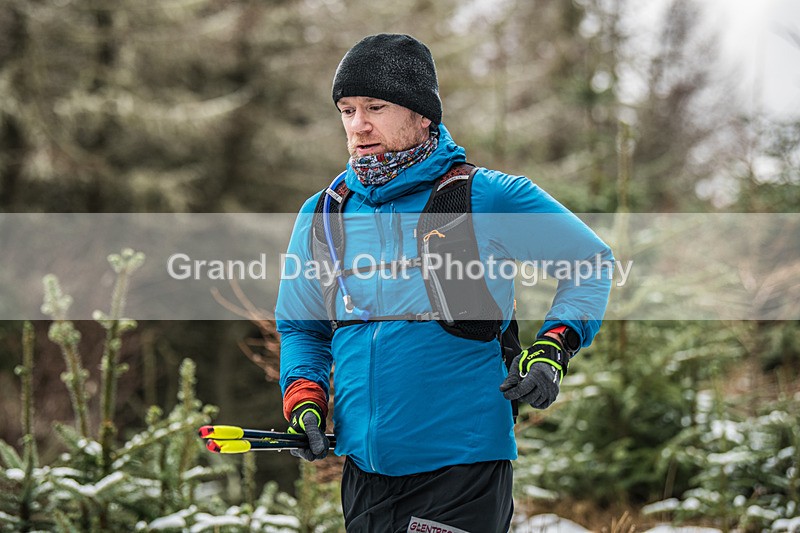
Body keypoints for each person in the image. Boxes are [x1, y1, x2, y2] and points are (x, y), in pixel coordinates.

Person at [276, 33, 613, 533]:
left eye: (375, 107)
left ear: (422, 116)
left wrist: (552, 348)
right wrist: (305, 397)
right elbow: (302, 326)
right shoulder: (325, 213)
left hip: (462, 468)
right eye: (347, 110)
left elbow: (589, 262)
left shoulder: (485, 196)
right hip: (365, 474)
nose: (358, 124)